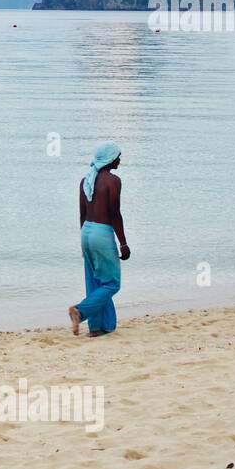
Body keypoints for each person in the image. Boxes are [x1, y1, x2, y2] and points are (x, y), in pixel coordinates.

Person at [68, 142, 129, 337]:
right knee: (111, 283)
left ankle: (100, 328)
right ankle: (81, 311)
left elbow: (82, 214)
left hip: (86, 231)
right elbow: (114, 214)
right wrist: (123, 243)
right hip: (102, 232)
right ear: (110, 158)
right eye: (118, 156)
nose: (120, 159)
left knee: (95, 280)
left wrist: (84, 242)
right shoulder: (113, 181)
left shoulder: (86, 180)